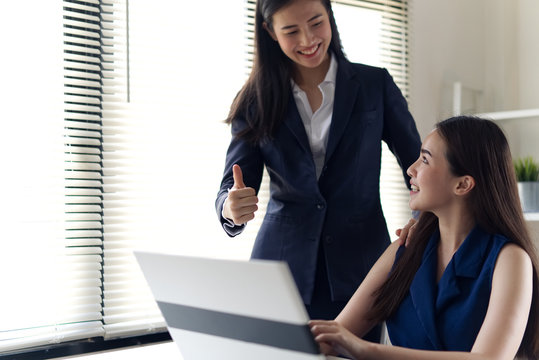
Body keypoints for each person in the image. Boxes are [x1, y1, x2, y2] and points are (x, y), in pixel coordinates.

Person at [215, 0, 421, 341]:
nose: (308, 39)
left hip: (361, 267)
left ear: (330, 17)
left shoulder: (375, 85)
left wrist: (424, 218)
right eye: (291, 30)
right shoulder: (254, 98)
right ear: (270, 32)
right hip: (279, 271)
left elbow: (417, 164)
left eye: (316, 22)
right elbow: (233, 183)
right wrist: (230, 206)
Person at [309, 116, 539, 360]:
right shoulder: (405, 248)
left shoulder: (510, 260)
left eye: (425, 160)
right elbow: (334, 338)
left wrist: (367, 350)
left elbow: (489, 359)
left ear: (463, 184)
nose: (411, 168)